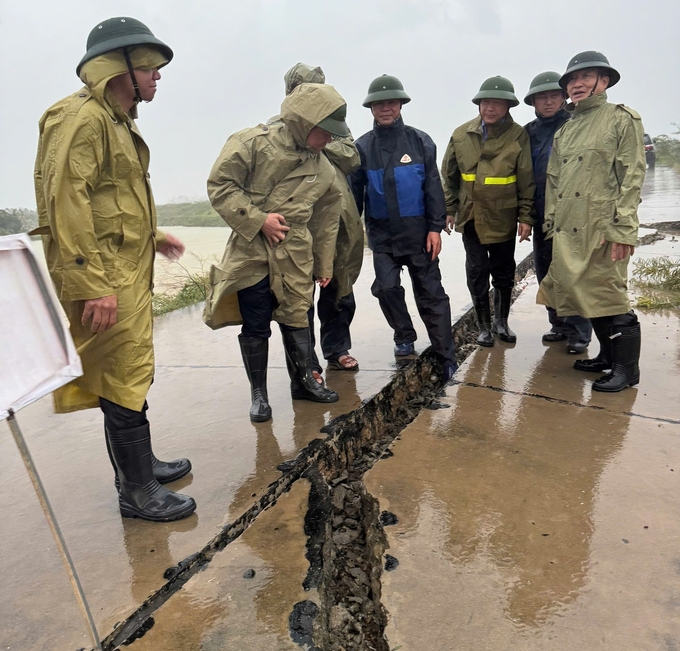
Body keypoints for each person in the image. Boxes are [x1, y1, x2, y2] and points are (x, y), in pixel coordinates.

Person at [33, 17, 196, 522]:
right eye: (149, 66)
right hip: (103, 277)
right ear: (117, 68)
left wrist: (154, 236)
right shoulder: (81, 120)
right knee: (121, 374)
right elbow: (66, 204)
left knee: (128, 372)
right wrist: (91, 285)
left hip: (124, 269)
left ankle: (141, 466)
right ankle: (137, 491)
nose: (157, 77)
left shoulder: (117, 122)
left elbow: (112, 203)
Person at [204, 83, 347, 421]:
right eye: (325, 133)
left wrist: (324, 265)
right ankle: (259, 395)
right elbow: (220, 185)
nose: (329, 140)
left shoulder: (324, 169)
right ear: (304, 122)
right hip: (252, 248)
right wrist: (258, 220)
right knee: (256, 322)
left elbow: (327, 220)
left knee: (298, 315)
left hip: (296, 252)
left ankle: (304, 383)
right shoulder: (252, 144)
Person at [537, 51, 646, 392]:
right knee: (587, 295)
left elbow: (632, 175)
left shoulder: (620, 119)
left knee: (610, 294)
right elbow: (554, 181)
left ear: (605, 81)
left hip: (603, 227)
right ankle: (606, 357)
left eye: (586, 77)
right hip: (569, 228)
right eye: (571, 79)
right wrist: (551, 224)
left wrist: (624, 228)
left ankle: (627, 371)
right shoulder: (565, 130)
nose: (577, 84)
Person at [350, 74, 456, 381]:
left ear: (400, 105)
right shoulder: (362, 148)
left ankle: (445, 355)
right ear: (371, 108)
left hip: (420, 234)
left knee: (432, 295)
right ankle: (404, 334)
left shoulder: (421, 142)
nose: (386, 108)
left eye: (391, 103)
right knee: (386, 287)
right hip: (382, 236)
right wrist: (351, 235)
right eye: (379, 104)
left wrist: (435, 228)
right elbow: (355, 198)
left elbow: (433, 189)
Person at [273, 63, 364, 378]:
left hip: (339, 221)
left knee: (340, 289)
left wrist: (319, 139)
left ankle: (337, 350)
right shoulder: (279, 127)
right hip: (300, 222)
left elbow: (352, 157)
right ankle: (307, 363)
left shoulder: (338, 126)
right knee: (299, 298)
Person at [442, 76, 535, 347]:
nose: (490, 108)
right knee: (477, 271)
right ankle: (484, 326)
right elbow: (448, 176)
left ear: (508, 106)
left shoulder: (518, 136)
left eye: (496, 103)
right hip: (470, 216)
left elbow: (526, 179)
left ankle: (501, 322)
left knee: (504, 271)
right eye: (485, 102)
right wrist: (449, 209)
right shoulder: (461, 135)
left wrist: (526, 217)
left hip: (503, 217)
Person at [523, 72, 592, 354]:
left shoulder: (576, 125)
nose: (548, 101)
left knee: (571, 274)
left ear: (563, 97)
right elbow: (523, 176)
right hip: (541, 213)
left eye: (553, 95)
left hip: (571, 214)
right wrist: (525, 216)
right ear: (534, 102)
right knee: (545, 271)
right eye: (542, 97)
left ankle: (579, 330)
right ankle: (558, 323)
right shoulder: (528, 132)